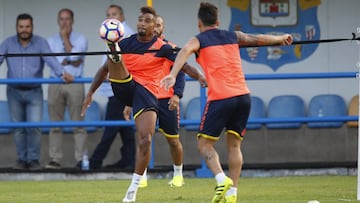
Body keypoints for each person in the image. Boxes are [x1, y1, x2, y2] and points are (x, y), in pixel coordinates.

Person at [160, 2, 293, 203]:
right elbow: (258, 39)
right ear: (218, 21)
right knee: (234, 146)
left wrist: (172, 74)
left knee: (204, 145)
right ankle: (233, 194)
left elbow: (185, 50)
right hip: (243, 97)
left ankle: (222, 179)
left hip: (222, 98)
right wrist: (281, 38)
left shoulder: (199, 39)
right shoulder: (233, 36)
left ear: (199, 23)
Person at [138, 15, 206, 188]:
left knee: (173, 140)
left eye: (159, 25)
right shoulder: (141, 49)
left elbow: (181, 73)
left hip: (167, 100)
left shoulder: (171, 49)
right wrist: (128, 102)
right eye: (155, 25)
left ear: (163, 27)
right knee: (144, 139)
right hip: (147, 97)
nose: (156, 28)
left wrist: (177, 95)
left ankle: (177, 174)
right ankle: (142, 177)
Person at [0, 13, 73, 170]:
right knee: (18, 128)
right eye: (21, 27)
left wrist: (62, 73)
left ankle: (33, 160)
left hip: (34, 91)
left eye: (27, 26)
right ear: (16, 27)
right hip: (13, 91)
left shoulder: (40, 42)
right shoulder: (7, 43)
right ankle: (21, 160)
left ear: (32, 27)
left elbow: (51, 60)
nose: (24, 30)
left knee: (34, 127)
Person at [86, 4, 136, 170]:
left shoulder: (125, 34)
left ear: (122, 17)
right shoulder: (109, 33)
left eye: (114, 15)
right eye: (108, 15)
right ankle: (129, 160)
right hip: (113, 89)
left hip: (120, 89)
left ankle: (94, 162)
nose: (111, 18)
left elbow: (125, 62)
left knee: (111, 127)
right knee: (124, 128)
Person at [45, 8, 88, 169]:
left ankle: (80, 159)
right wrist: (68, 62)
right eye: (61, 19)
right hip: (55, 82)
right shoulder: (50, 40)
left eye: (67, 19)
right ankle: (55, 159)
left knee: (78, 124)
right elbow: (56, 62)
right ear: (58, 21)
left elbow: (76, 57)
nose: (64, 22)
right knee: (54, 124)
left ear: (73, 20)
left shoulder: (81, 38)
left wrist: (65, 39)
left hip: (75, 83)